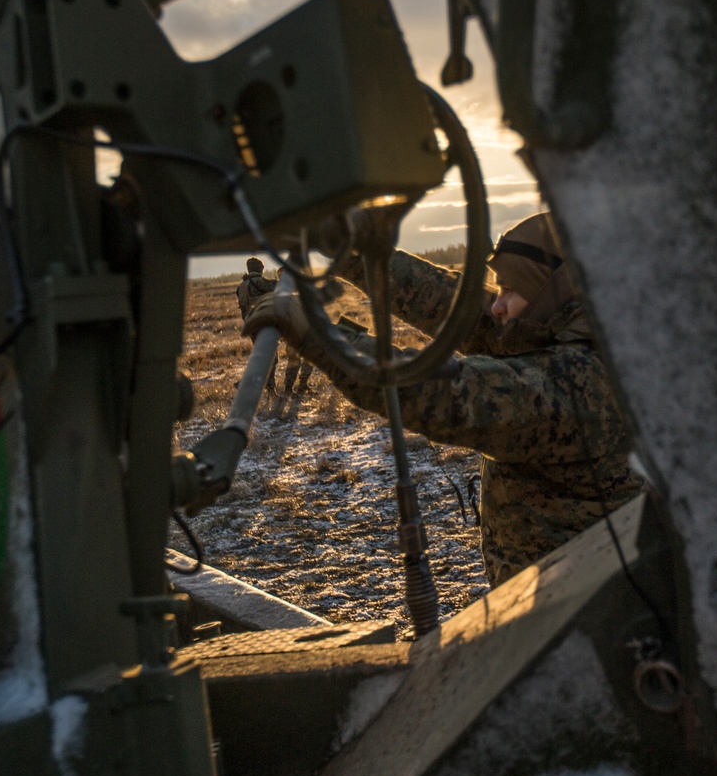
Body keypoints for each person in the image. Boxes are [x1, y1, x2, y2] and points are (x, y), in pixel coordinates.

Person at [238, 213, 640, 586]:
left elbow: (444, 393)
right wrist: (352, 252)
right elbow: (451, 304)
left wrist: (322, 336)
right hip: (553, 594)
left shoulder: (585, 383)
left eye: (511, 290)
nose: (496, 305)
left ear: (553, 292)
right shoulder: (556, 327)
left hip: (581, 611)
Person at [236, 258, 312, 408]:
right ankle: (252, 385)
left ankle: (269, 389)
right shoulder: (258, 282)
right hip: (265, 324)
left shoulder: (241, 286)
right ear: (260, 268)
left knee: (268, 357)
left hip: (253, 326)